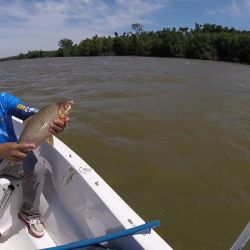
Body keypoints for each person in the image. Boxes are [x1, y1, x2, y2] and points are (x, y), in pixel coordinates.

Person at [0, 92, 68, 238]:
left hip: (13, 155)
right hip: (5, 153)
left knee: (37, 167)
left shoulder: (4, 100)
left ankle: (28, 213)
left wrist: (53, 120)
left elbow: (31, 112)